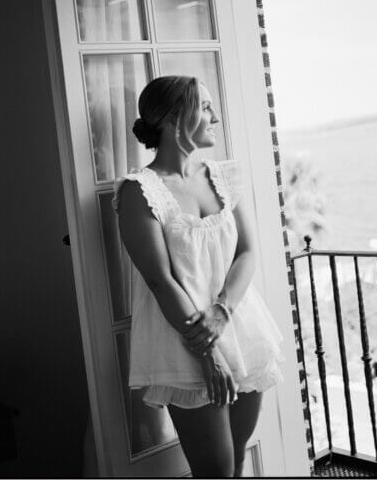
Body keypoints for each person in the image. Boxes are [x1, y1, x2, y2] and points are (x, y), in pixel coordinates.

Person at [112, 76, 283, 478]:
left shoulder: (221, 176)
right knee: (215, 470)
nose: (215, 117)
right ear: (175, 118)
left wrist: (223, 311)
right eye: (205, 107)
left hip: (240, 328)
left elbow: (247, 252)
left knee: (237, 458)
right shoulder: (139, 191)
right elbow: (160, 281)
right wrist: (208, 354)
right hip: (185, 343)